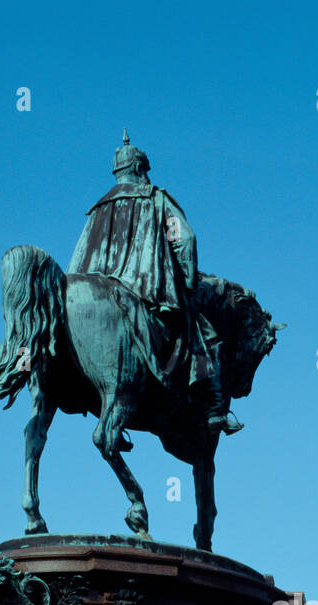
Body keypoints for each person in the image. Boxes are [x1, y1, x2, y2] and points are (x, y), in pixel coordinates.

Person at [68, 130, 241, 437]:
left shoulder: (97, 208)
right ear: (140, 169)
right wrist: (187, 282)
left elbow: (79, 257)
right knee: (206, 333)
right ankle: (216, 409)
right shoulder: (156, 198)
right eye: (145, 169)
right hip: (146, 287)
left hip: (91, 288)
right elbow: (184, 238)